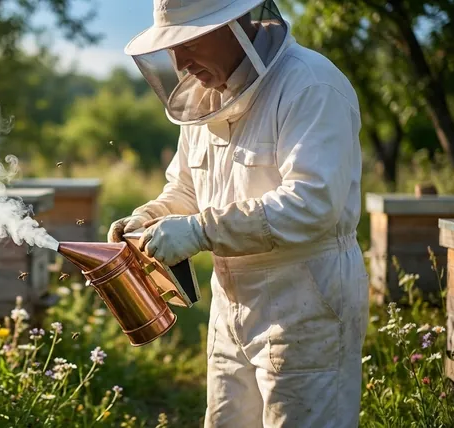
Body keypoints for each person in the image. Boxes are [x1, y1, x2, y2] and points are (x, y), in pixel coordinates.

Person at [107, 0, 369, 427]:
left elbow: (311, 203)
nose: (180, 61)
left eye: (188, 41)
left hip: (305, 303)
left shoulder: (310, 85)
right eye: (171, 46)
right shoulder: (203, 97)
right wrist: (151, 216)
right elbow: (186, 188)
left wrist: (199, 230)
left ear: (235, 25)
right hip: (230, 308)